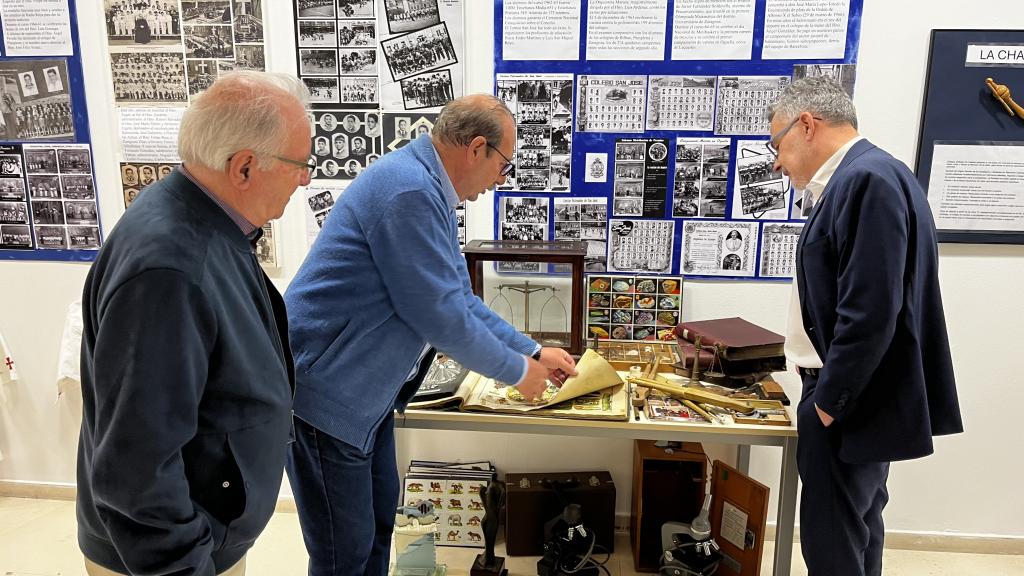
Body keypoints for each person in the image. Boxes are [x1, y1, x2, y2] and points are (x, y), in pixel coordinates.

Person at [284, 93, 578, 576]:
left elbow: (459, 299)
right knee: (344, 554)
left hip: (366, 399)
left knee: (377, 530)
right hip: (329, 400)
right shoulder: (410, 192)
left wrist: (532, 350)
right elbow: (440, 317)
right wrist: (518, 372)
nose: (500, 180)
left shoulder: (427, 188)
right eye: (503, 164)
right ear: (477, 148)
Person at [76, 71, 311, 576]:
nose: (306, 178)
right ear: (244, 167)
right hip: (169, 556)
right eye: (300, 164)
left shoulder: (205, 221)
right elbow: (136, 464)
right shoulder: (171, 269)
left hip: (207, 528)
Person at [768, 77, 962, 576]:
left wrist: (829, 405)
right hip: (860, 396)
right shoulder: (875, 173)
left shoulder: (864, 180)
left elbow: (871, 309)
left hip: (846, 401)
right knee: (858, 529)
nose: (775, 161)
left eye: (777, 144)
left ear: (806, 125)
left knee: (832, 542)